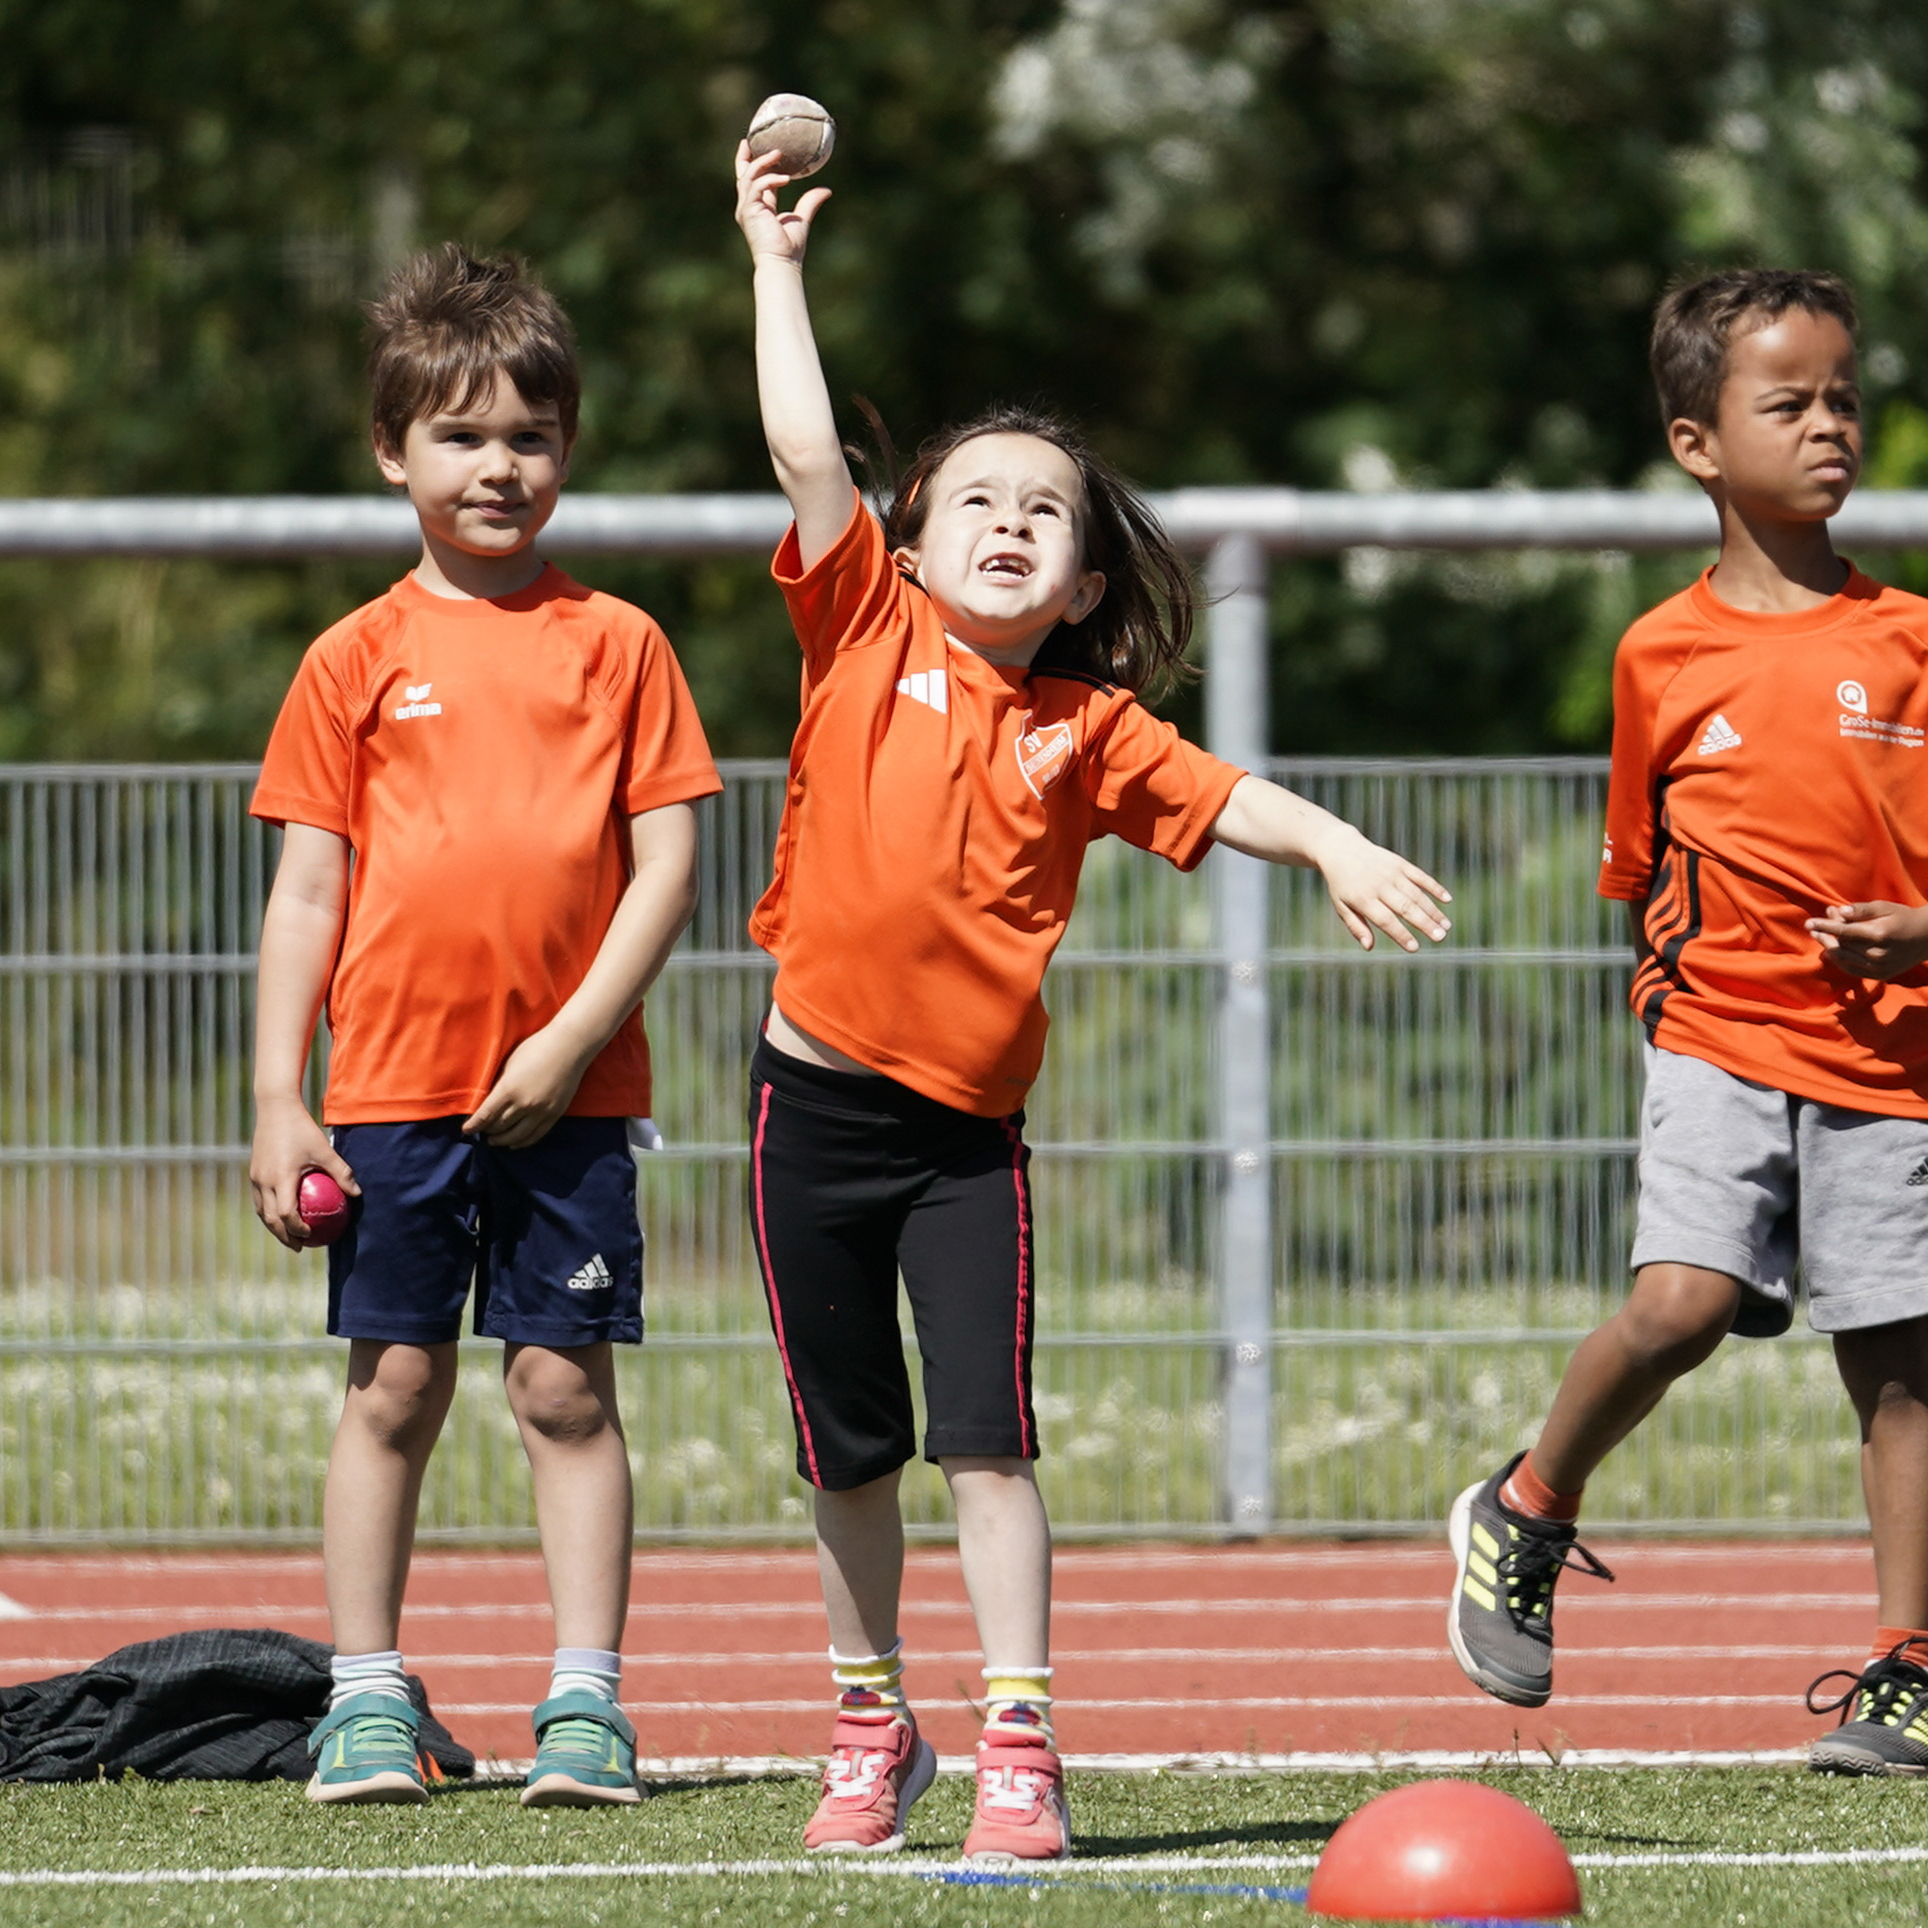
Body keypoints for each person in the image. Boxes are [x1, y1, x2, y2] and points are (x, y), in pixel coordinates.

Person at [733, 142, 1452, 1863]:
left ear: (1082, 586)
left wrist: (1336, 844)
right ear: (904, 542)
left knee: (987, 1445)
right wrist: (773, 259)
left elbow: (1230, 794)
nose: (1006, 522)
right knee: (847, 1453)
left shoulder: (1086, 729)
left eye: (1043, 514)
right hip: (808, 1111)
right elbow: (799, 443)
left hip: (964, 1147)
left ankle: (1019, 1741)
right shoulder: (858, 630)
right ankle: (865, 1717)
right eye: (976, 498)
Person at [248, 244, 720, 1807]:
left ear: (568, 449)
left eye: (529, 434)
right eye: (460, 436)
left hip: (569, 1100)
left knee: (563, 1390)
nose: (498, 465)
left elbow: (669, 868)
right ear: (394, 453)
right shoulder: (352, 659)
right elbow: (308, 894)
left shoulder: (624, 644)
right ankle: (365, 1699)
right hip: (388, 1091)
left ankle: (586, 1707)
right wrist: (277, 1099)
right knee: (393, 1387)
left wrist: (575, 1038)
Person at [1446, 268, 1928, 1775]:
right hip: (1719, 1038)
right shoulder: (1659, 654)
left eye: (1844, 396)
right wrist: (1691, 1004)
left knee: (1902, 1372)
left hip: (1896, 1063)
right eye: (1787, 403)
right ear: (1696, 443)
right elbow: (1640, 877)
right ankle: (1527, 1504)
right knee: (1684, 1308)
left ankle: (1908, 1674)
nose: (1830, 426)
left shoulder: (1915, 636)